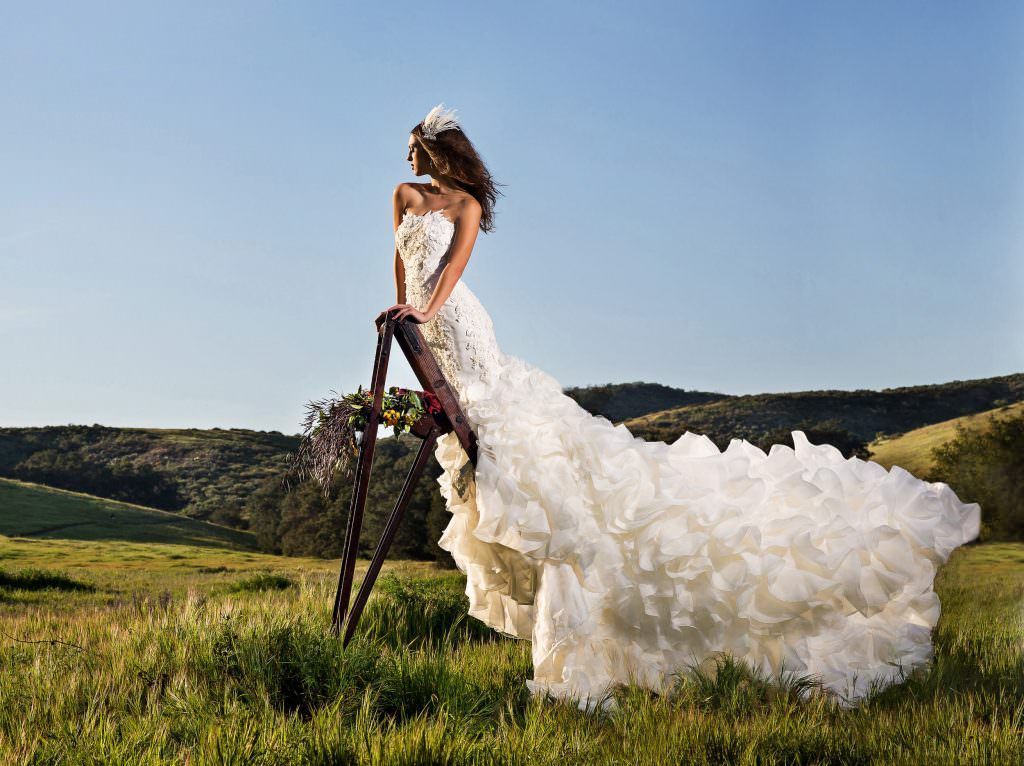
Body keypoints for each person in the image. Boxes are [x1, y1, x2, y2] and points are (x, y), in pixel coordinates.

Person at [381, 103, 981, 712]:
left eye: (414, 146)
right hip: (426, 322)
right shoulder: (404, 195)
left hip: (458, 321)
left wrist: (427, 311)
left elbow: (454, 266)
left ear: (437, 147)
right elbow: (401, 263)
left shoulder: (466, 205)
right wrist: (403, 311)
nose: (407, 157)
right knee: (501, 456)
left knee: (517, 448)